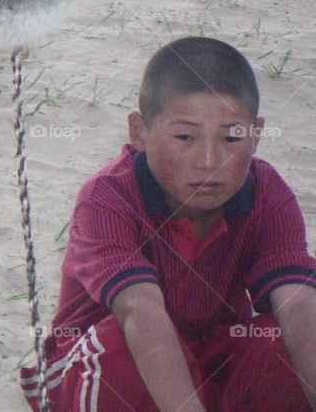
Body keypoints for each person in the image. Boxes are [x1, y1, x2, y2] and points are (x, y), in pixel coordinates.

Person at [19, 36, 316, 411]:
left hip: (207, 356)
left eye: (231, 137)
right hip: (104, 362)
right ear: (139, 132)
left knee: (281, 340)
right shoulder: (108, 197)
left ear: (256, 134)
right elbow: (138, 310)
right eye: (185, 137)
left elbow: (298, 304)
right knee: (119, 348)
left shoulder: (266, 192)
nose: (209, 160)